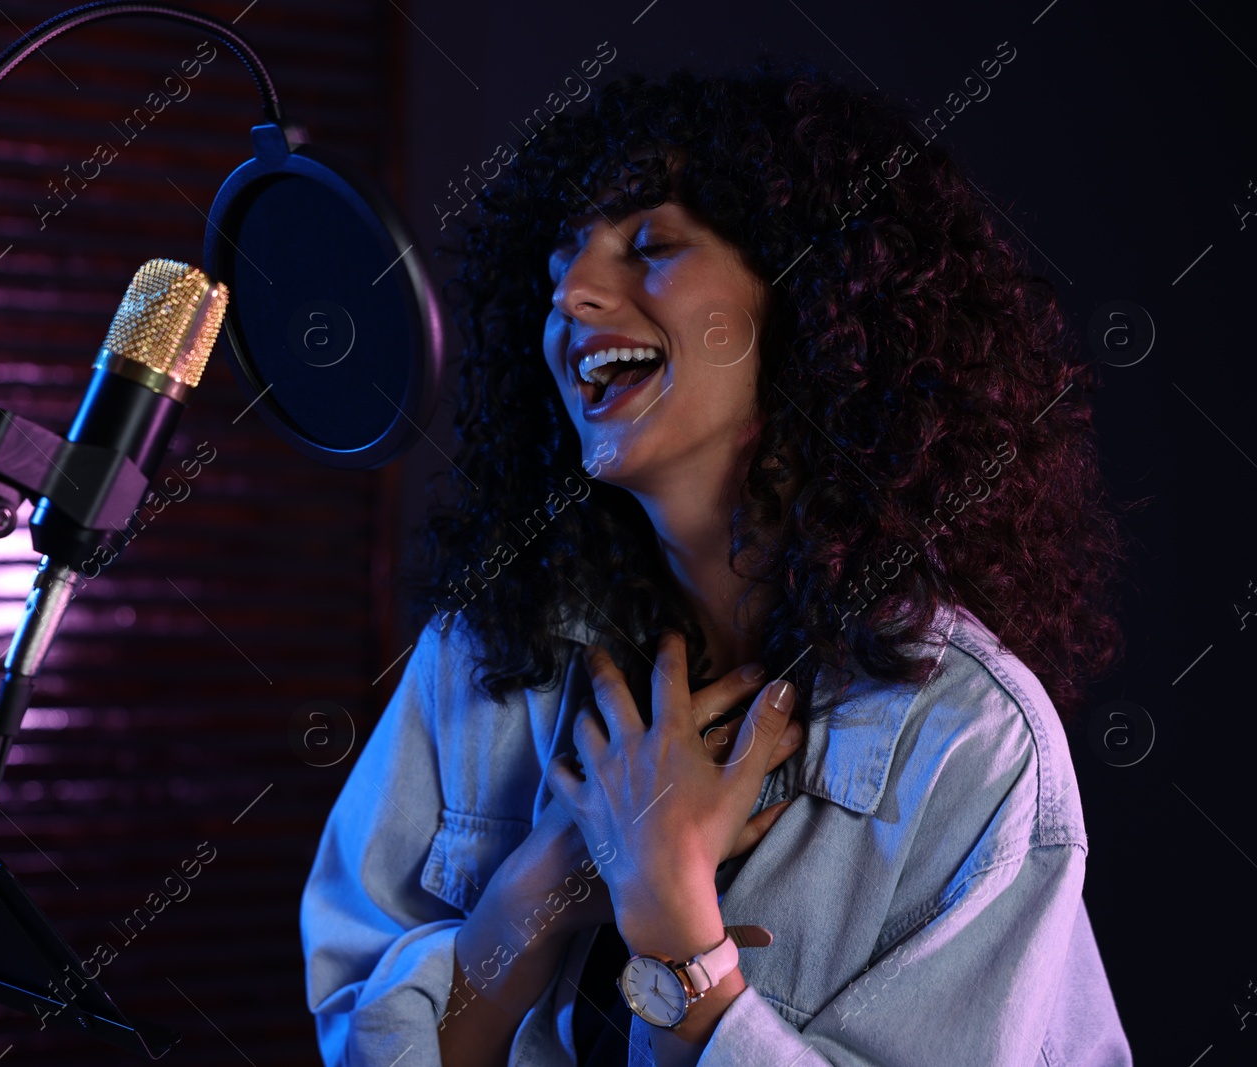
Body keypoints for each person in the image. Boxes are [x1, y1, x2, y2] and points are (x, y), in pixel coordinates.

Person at [301, 62, 1133, 1066]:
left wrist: (678, 940)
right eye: (560, 262)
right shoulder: (482, 655)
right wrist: (555, 873)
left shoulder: (972, 740)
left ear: (811, 300)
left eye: (649, 245)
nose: (570, 292)